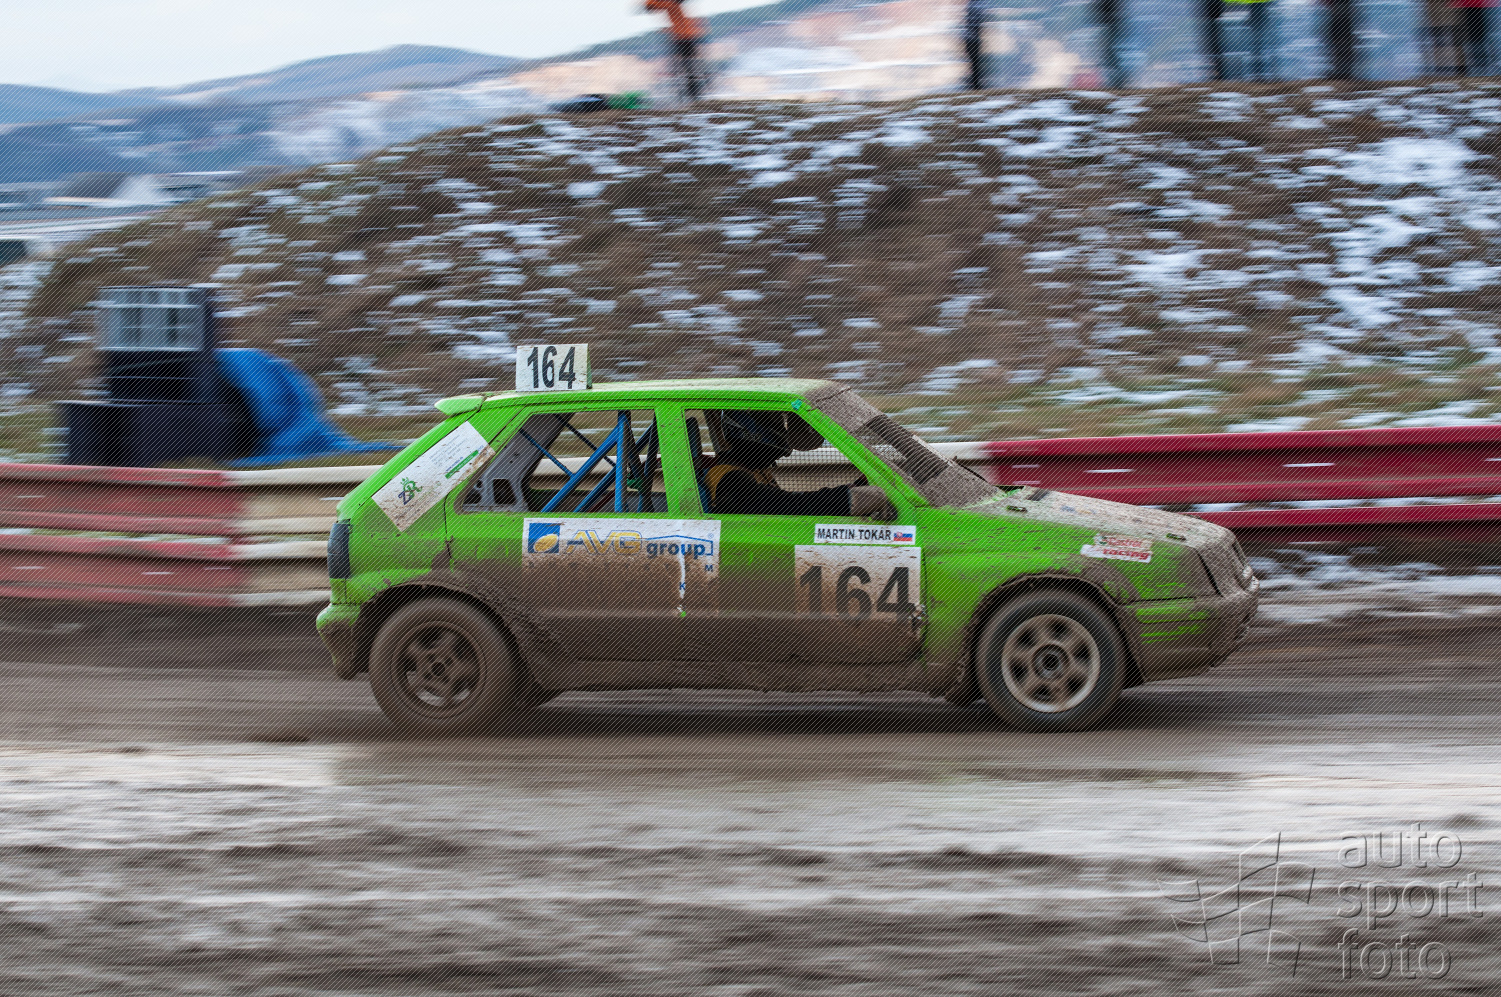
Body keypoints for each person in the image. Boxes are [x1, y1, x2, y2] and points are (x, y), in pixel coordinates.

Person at [705, 411, 895, 518]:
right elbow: (792, 505)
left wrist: (857, 486)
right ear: (750, 430)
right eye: (777, 424)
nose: (784, 431)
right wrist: (848, 499)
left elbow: (786, 500)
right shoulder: (730, 478)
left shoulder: (755, 470)